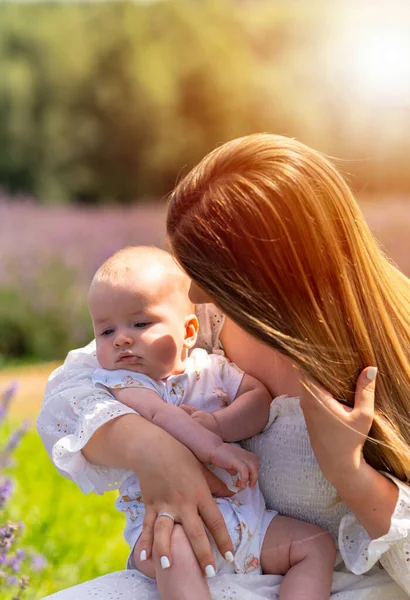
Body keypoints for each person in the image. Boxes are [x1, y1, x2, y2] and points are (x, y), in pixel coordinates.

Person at [38, 133, 410, 600]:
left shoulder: (391, 352)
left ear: (271, 275)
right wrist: (152, 447)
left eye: (210, 276)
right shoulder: (217, 323)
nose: (194, 294)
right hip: (211, 573)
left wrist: (348, 471)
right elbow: (72, 388)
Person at [88, 245, 336, 600]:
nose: (122, 338)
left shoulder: (211, 368)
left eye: (140, 323)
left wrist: (220, 424)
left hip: (249, 524)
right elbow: (162, 415)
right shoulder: (123, 383)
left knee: (316, 546)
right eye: (106, 331)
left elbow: (259, 398)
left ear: (189, 331)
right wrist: (215, 447)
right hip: (173, 526)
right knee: (172, 552)